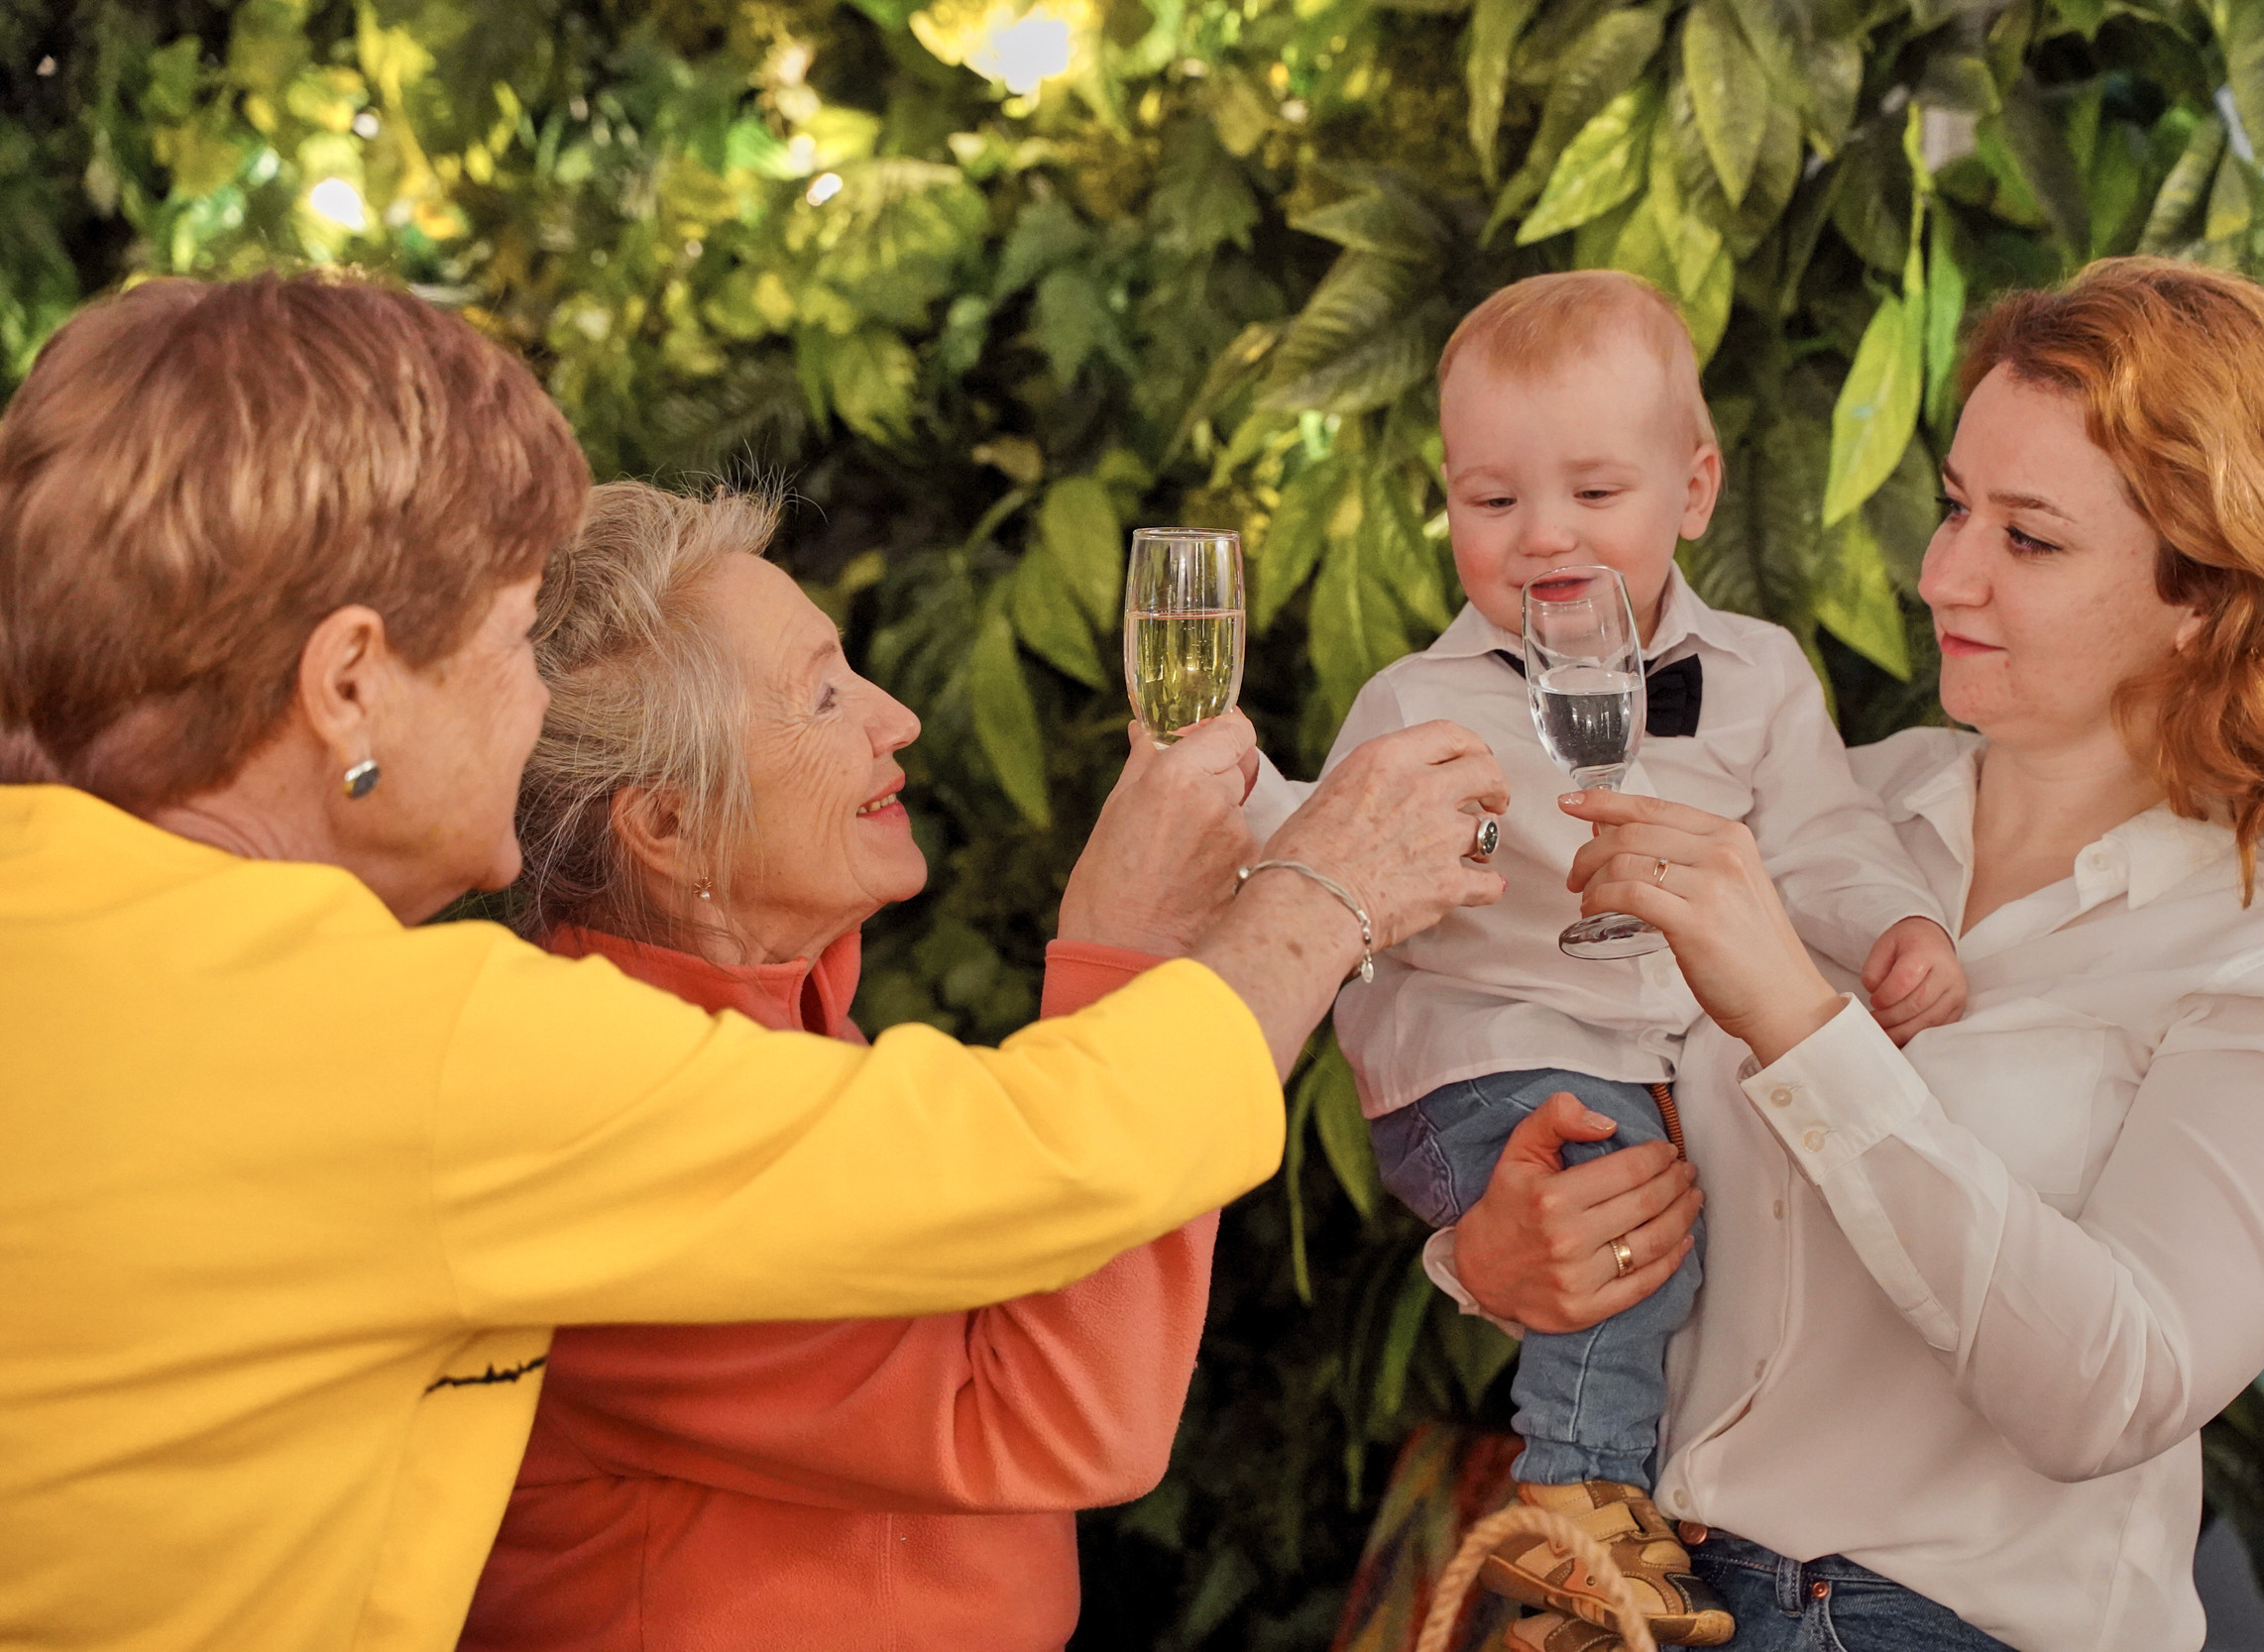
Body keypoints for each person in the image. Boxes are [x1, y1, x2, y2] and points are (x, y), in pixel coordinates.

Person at [0, 274, 1510, 1652]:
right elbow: (1042, 1173)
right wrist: (1321, 891)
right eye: (517, 641)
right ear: (347, 685)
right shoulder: (410, 1046)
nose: (537, 709)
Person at [1433, 257, 2264, 1652]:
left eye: (2028, 538)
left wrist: (1804, 1020)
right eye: (1957, 505)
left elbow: (2116, 1388)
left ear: (2208, 593)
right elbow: (1595, 1095)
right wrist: (1490, 1255)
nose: (1942, 571)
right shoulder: (1824, 808)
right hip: (1641, 1593)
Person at [1246, 270, 1968, 1643]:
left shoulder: (1756, 676)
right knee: (1625, 1196)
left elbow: (1822, 838)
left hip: (1648, 1068)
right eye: (1492, 500)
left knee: (1668, 1201)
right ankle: (1577, 1527)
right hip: (1484, 1055)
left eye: (1592, 491)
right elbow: (1318, 863)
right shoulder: (1417, 700)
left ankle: (1638, 1517)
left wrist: (1892, 926)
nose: (1541, 539)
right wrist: (1243, 801)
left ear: (1694, 490)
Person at [456, 481, 1236, 1651]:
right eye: (822, 695)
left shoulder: (779, 1028)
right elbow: (1063, 1413)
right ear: (667, 828)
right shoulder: (615, 1109)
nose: (898, 716)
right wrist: (1136, 951)